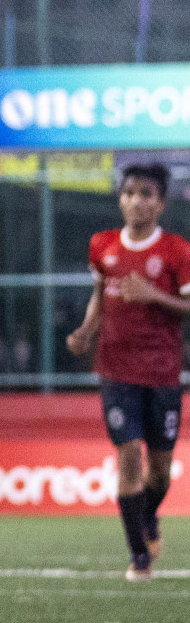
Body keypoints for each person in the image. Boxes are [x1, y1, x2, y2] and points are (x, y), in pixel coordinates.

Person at [66, 163, 190, 581]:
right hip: (116, 371)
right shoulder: (101, 245)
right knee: (128, 460)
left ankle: (148, 519)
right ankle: (139, 555)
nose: (136, 201)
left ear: (160, 203)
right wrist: (85, 330)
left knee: (159, 469)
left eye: (146, 194)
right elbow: (99, 296)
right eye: (130, 192)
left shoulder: (177, 251)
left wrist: (154, 294)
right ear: (120, 197)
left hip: (162, 372)